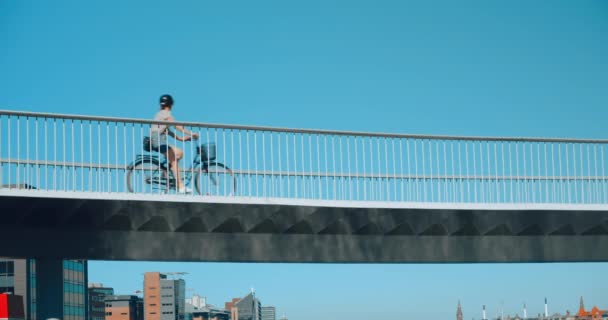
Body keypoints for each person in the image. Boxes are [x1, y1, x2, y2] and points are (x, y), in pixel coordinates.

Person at [150, 94, 199, 193]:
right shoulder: (166, 114)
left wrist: (182, 139)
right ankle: (180, 186)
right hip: (158, 140)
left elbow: (168, 131)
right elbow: (177, 126)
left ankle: (167, 171)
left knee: (179, 152)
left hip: (158, 139)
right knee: (174, 160)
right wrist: (191, 133)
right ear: (170, 104)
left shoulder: (160, 114)